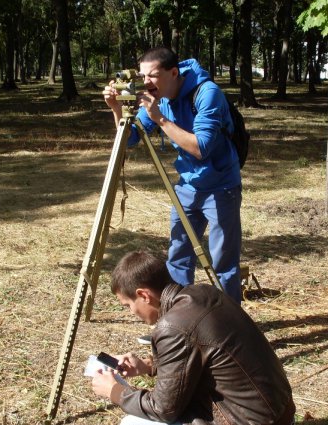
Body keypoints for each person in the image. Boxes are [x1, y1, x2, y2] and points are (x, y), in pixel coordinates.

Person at [91, 251, 296, 425]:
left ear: (144, 295)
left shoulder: (172, 326)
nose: (131, 312)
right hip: (279, 420)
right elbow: (202, 359)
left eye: (128, 304)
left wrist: (116, 392)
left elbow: (163, 410)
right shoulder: (204, 293)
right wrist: (148, 366)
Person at [102, 47, 242, 303]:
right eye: (143, 76)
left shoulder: (207, 93)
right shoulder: (159, 96)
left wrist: (162, 120)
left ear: (173, 72)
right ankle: (176, 323)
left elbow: (201, 147)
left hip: (222, 186)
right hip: (187, 186)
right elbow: (131, 138)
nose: (146, 83)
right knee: (178, 257)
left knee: (223, 262)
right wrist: (115, 108)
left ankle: (231, 325)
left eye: (153, 75)